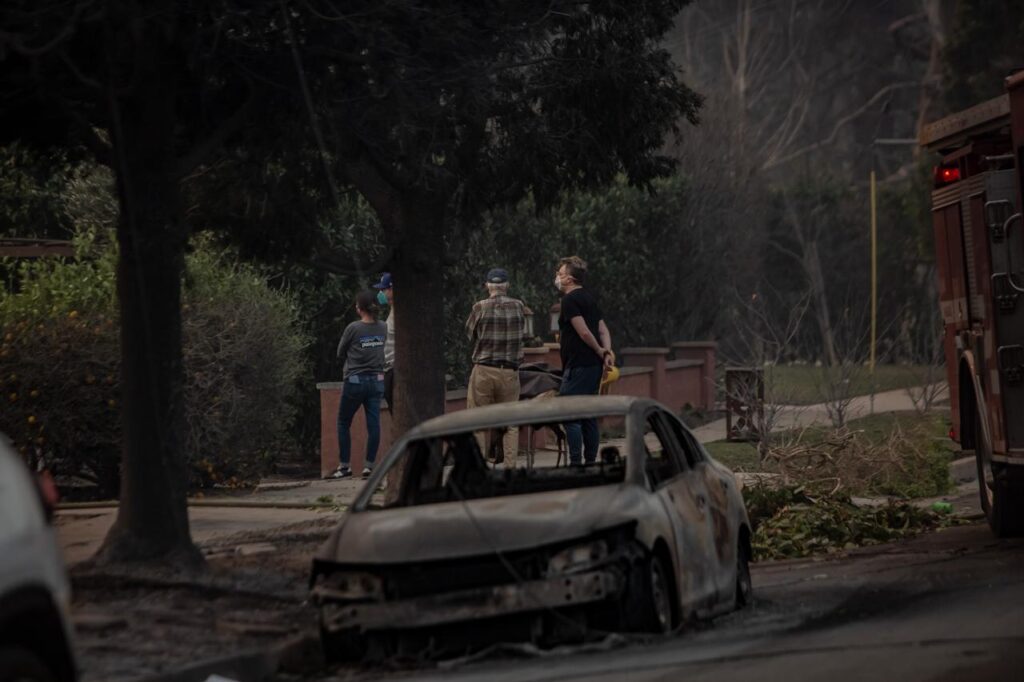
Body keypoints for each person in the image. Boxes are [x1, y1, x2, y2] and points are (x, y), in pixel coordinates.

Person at [555, 256, 615, 465]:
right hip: (593, 366)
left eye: (560, 274)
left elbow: (584, 332)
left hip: (579, 364)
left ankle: (576, 463)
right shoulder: (589, 298)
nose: (557, 277)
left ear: (570, 279)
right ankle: (590, 462)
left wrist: (600, 350)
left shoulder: (569, 301)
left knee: (569, 414)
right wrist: (607, 352)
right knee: (588, 414)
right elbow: (602, 329)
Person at [465, 267, 527, 467]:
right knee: (510, 425)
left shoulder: (479, 307)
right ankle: (510, 469)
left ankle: (479, 470)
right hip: (509, 372)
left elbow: (469, 334)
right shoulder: (519, 306)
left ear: (487, 286)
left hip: (484, 370)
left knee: (477, 423)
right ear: (507, 286)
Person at [330, 290, 387, 479]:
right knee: (374, 425)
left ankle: (344, 467)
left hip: (355, 381)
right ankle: (369, 466)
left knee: (343, 422)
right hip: (377, 380)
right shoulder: (383, 327)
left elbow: (340, 352)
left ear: (359, 308)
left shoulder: (353, 328)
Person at [372, 273, 395, 411]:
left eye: (383, 289)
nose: (381, 293)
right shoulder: (392, 310)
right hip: (387, 369)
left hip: (394, 371)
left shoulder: (402, 312)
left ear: (392, 289)